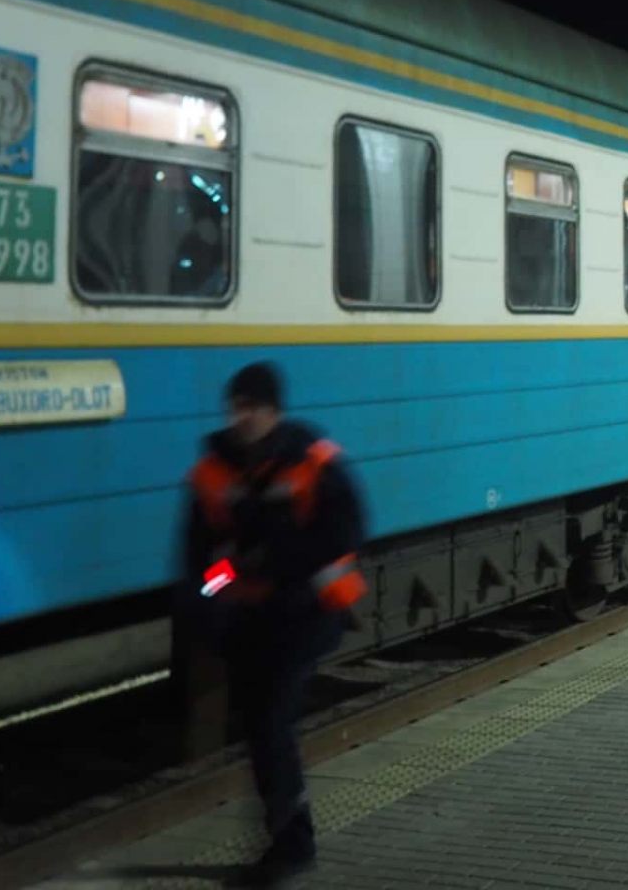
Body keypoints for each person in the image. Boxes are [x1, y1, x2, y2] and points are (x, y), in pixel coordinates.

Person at [185, 362, 368, 886]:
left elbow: (345, 535)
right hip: (252, 619)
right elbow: (203, 563)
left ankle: (292, 845)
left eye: (253, 408)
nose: (242, 418)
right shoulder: (212, 472)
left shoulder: (315, 463)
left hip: (308, 616)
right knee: (262, 731)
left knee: (269, 726)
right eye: (236, 407)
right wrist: (215, 592)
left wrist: (271, 560)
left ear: (274, 411)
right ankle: (285, 837)